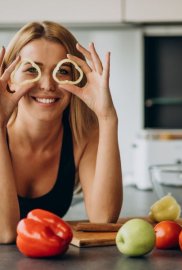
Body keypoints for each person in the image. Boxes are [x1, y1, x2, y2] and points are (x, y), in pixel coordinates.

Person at [0, 21, 123, 243]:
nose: (47, 84)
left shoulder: (82, 135)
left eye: (62, 71)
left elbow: (104, 219)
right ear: (9, 77)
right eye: (31, 70)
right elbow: (4, 232)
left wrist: (107, 118)